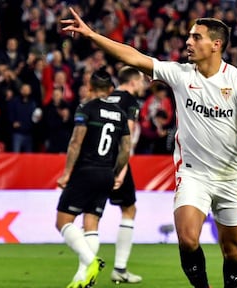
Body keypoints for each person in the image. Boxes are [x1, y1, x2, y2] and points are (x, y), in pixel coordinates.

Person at [62, 10, 237, 288]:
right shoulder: (180, 74)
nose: (188, 42)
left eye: (196, 37)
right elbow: (132, 56)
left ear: (216, 45)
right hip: (193, 175)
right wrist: (91, 35)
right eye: (188, 36)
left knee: (232, 251)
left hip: (232, 176)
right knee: (187, 239)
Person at [55, 67, 131, 288]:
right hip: (106, 173)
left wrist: (67, 172)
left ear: (89, 87)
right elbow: (126, 149)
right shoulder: (121, 114)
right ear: (110, 89)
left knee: (63, 221)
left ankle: (91, 262)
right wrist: (116, 172)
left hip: (85, 171)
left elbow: (76, 142)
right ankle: (82, 278)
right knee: (91, 224)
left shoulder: (86, 108)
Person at [106, 66, 146, 284]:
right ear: (132, 82)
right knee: (129, 209)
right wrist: (121, 170)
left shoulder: (107, 97)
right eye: (140, 81)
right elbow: (126, 138)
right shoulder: (130, 102)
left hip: (95, 158)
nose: (142, 85)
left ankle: (84, 269)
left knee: (92, 213)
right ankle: (120, 268)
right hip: (115, 159)